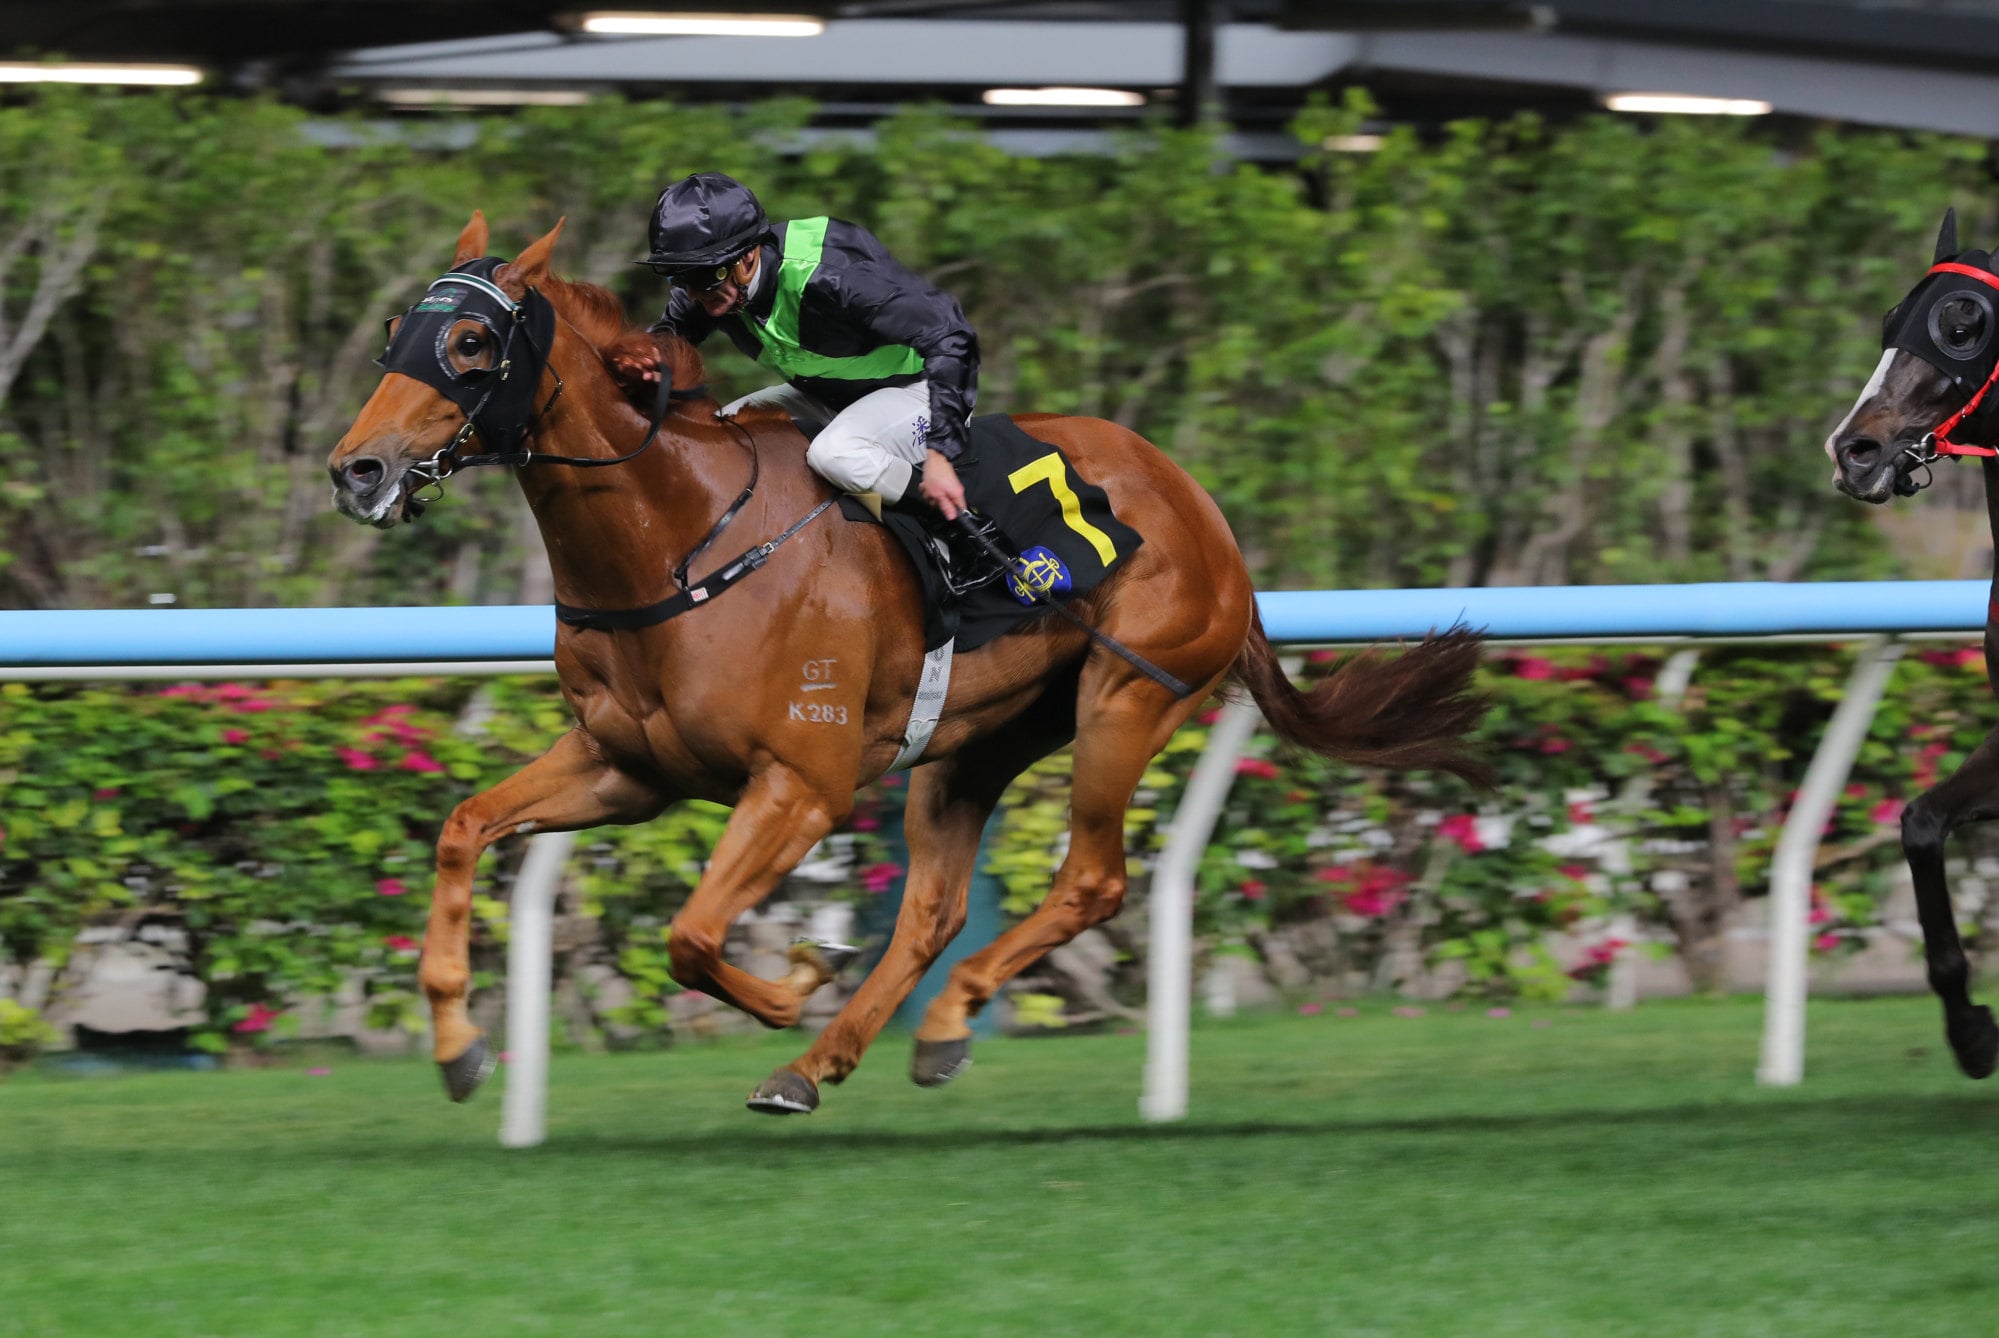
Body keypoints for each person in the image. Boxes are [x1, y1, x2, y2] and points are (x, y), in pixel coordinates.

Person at [612, 171, 978, 521]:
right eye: (680, 277)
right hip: (827, 394)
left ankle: (959, 526)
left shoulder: (833, 278)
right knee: (719, 438)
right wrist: (643, 360)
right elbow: (666, 340)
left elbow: (953, 336)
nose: (692, 294)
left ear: (748, 256)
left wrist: (940, 452)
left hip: (919, 390)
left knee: (835, 454)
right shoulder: (707, 290)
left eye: (704, 277)